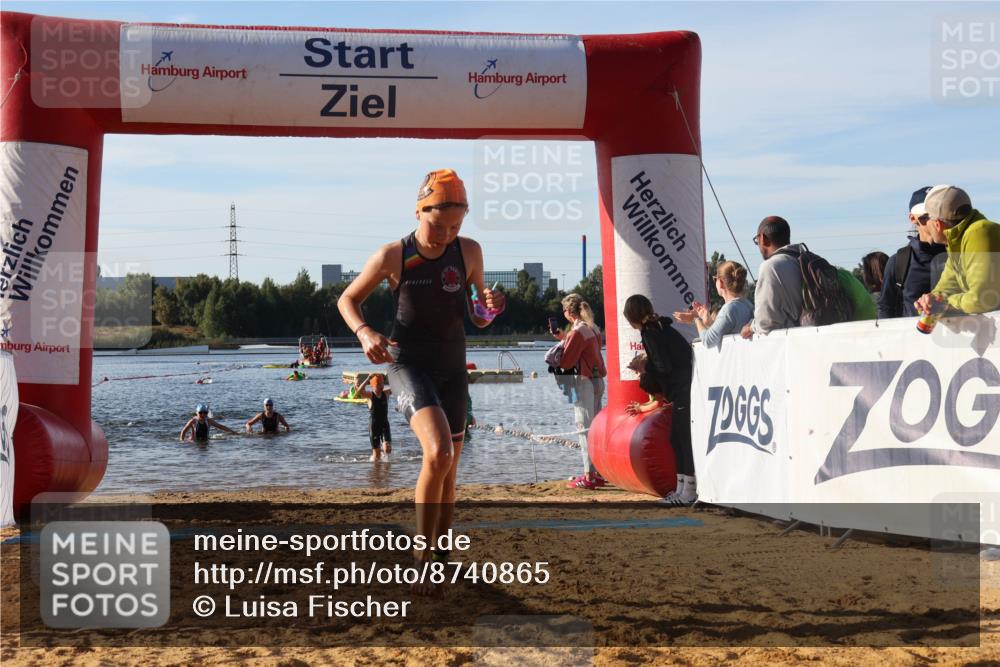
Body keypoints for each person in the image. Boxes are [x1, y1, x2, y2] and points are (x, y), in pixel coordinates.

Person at [337, 168, 504, 593]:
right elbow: (347, 299)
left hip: (453, 368)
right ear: (418, 210)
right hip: (408, 364)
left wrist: (491, 307)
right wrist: (364, 332)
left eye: (456, 226)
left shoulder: (468, 252)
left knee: (449, 472)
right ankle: (421, 557)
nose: (446, 234)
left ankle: (443, 556)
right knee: (439, 453)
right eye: (437, 224)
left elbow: (478, 318)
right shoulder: (394, 255)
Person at [623, 294, 696, 505]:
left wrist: (646, 374)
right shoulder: (660, 326)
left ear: (631, 319)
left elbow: (663, 366)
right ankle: (681, 488)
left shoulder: (650, 333)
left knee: (682, 440)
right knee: (676, 438)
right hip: (685, 386)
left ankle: (688, 491)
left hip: (683, 388)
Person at [916, 185, 1000, 317]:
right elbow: (945, 289)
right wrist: (930, 301)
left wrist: (944, 304)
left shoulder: (979, 232)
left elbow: (982, 300)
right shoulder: (958, 241)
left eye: (926, 219)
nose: (925, 225)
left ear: (937, 224)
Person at [553, 293, 608, 490]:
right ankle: (598, 472)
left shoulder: (577, 332)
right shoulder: (593, 328)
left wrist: (559, 348)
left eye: (564, 310)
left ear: (569, 312)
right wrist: (564, 338)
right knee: (595, 430)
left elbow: (567, 361)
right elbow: (588, 350)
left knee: (584, 430)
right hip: (597, 381)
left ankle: (589, 476)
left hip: (583, 383)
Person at [878, 188, 948, 319]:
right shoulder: (899, 261)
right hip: (913, 337)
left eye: (938, 214)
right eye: (927, 216)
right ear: (913, 218)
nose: (934, 221)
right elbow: (886, 307)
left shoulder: (959, 256)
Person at [741, 216, 804, 339]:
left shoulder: (771, 266)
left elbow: (765, 321)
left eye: (757, 241)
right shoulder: (801, 259)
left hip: (793, 345)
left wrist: (750, 328)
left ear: (763, 238)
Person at [674, 260, 753, 348]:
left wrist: (696, 318)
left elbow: (708, 341)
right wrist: (709, 323)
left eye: (715, 279)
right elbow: (728, 331)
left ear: (721, 283)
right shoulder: (748, 305)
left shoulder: (729, 309)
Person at [355, 374, 392, 461]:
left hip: (385, 424)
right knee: (377, 455)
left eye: (382, 384)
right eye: (378, 384)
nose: (381, 386)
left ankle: (387, 469)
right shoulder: (370, 395)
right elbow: (359, 392)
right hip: (374, 426)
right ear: (373, 386)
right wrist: (367, 379)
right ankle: (376, 472)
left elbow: (397, 388)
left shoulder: (386, 393)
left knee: (387, 448)